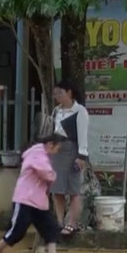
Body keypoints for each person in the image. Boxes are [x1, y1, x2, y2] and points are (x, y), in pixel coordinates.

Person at [0, 134, 66, 253]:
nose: (57, 152)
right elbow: (47, 173)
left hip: (39, 200)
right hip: (25, 198)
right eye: (57, 148)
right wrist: (54, 176)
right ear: (50, 145)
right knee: (18, 229)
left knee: (50, 227)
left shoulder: (41, 154)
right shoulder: (37, 153)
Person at [50, 81, 90, 236]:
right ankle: (60, 222)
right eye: (55, 94)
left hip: (72, 149)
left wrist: (81, 156)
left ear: (69, 93)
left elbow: (82, 135)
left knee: (73, 189)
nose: (57, 96)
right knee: (57, 189)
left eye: (60, 93)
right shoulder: (56, 111)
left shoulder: (80, 111)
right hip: (57, 150)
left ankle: (72, 223)